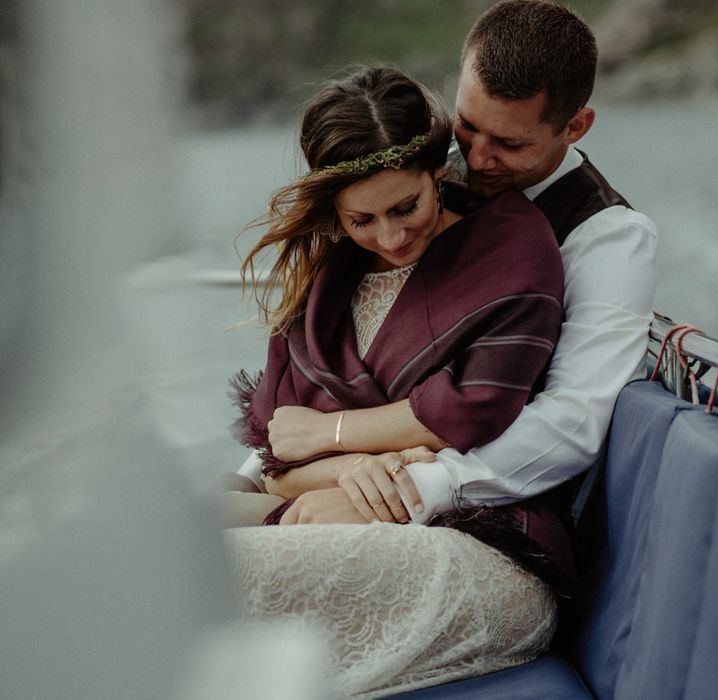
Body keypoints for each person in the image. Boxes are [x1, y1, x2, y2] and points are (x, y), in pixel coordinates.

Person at [224, 66, 568, 698]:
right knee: (152, 541)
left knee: (202, 577)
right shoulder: (328, 281)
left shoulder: (513, 250)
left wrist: (332, 439)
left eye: (406, 207)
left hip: (476, 545)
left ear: (439, 171)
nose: (390, 236)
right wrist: (358, 463)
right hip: (332, 517)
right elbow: (279, 456)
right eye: (362, 220)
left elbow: (473, 414)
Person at [255, 0, 658, 528]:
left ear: (576, 125)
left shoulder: (610, 236)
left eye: (510, 143)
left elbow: (570, 421)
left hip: (481, 505)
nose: (478, 159)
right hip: (350, 475)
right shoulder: (411, 179)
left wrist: (411, 488)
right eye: (468, 127)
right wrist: (278, 466)